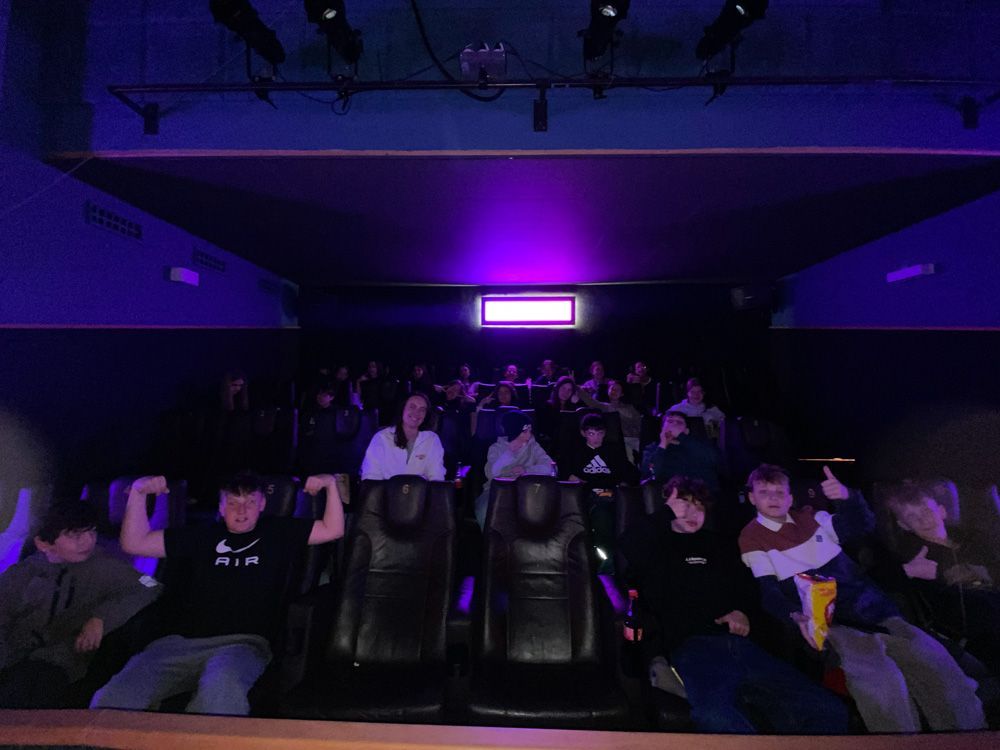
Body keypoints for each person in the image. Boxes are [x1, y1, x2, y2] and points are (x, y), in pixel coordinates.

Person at [738, 464, 986, 733]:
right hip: (832, 621)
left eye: (779, 491)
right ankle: (897, 740)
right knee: (880, 678)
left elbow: (860, 525)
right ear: (752, 497)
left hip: (873, 606)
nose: (773, 498)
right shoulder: (752, 537)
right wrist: (796, 616)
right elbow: (769, 593)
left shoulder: (814, 519)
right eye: (764, 492)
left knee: (937, 663)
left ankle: (966, 734)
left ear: (790, 497)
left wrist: (847, 497)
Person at [90, 472, 344, 715]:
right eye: (233, 503)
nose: (241, 510)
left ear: (262, 504)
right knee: (112, 699)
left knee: (220, 692)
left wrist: (331, 485)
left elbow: (333, 530)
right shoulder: (202, 535)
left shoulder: (277, 532)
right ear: (221, 508)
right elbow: (135, 543)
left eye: (250, 502)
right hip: (176, 645)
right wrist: (138, 492)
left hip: (241, 645)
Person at [619, 477, 849, 734]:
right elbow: (628, 546)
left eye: (699, 507)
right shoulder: (655, 545)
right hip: (693, 646)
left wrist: (743, 611)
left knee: (828, 709)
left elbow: (748, 587)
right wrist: (666, 513)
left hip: (743, 646)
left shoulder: (720, 544)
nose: (692, 513)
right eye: (684, 505)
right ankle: (670, 676)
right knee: (717, 717)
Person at [0, 501, 160, 708]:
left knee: (31, 687)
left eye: (91, 532)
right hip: (12, 656)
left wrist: (101, 617)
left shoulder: (106, 567)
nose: (87, 541)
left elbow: (150, 585)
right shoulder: (20, 575)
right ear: (44, 544)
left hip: (61, 661)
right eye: (75, 535)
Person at [884, 482, 1000, 675]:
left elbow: (994, 566)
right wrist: (908, 570)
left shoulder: (973, 540)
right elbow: (884, 581)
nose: (923, 519)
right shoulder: (911, 553)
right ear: (904, 525)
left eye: (926, 510)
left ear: (942, 511)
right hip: (968, 625)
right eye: (912, 516)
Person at [561, 413, 638, 571]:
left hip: (611, 495)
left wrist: (593, 482)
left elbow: (630, 475)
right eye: (591, 434)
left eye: (600, 433)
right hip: (585, 497)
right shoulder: (574, 451)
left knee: (613, 513)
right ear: (584, 433)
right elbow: (567, 476)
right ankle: (604, 561)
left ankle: (615, 561)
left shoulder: (613, 450)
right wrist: (599, 482)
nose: (596, 438)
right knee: (601, 515)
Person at [474, 411, 554, 529]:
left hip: (527, 491)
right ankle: (492, 543)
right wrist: (508, 453)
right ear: (514, 432)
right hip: (496, 490)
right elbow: (491, 473)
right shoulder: (496, 448)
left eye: (530, 431)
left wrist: (526, 470)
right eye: (524, 432)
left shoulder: (533, 446)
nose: (529, 435)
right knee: (483, 509)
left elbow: (551, 468)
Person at [360, 392, 445, 481]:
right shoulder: (381, 438)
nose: (417, 412)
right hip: (386, 494)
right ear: (402, 409)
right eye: (412, 407)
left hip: (420, 494)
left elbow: (436, 477)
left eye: (422, 410)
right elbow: (370, 477)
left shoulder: (432, 439)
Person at [641, 411, 723, 495]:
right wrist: (663, 444)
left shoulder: (699, 444)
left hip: (704, 496)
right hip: (675, 497)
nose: (674, 425)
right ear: (663, 428)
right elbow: (650, 474)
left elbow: (715, 460)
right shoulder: (653, 448)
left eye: (679, 422)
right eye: (670, 421)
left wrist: (682, 436)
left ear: (686, 431)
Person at [580, 379, 643, 463]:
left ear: (622, 394)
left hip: (630, 440)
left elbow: (639, 424)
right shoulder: (605, 406)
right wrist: (577, 388)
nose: (614, 391)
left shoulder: (629, 408)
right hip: (614, 442)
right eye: (612, 389)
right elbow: (591, 402)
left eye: (617, 390)